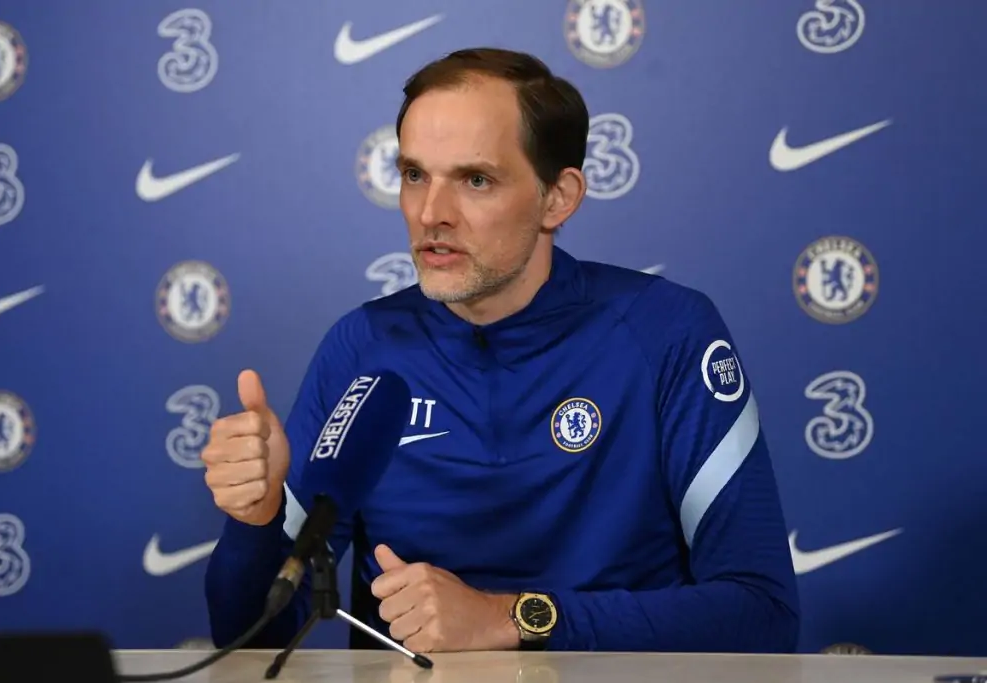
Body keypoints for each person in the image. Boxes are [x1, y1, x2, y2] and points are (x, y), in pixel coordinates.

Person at [201, 47, 800, 655]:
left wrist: (510, 618)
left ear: (557, 197)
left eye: (476, 180)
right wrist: (257, 523)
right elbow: (253, 639)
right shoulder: (361, 346)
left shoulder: (665, 332)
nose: (431, 214)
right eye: (415, 175)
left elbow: (763, 614)